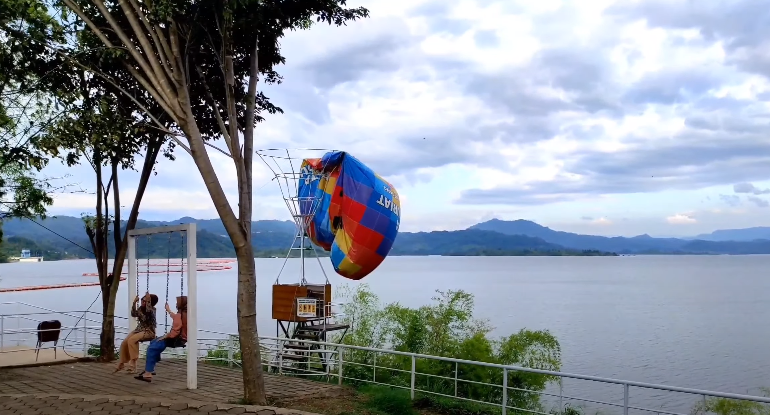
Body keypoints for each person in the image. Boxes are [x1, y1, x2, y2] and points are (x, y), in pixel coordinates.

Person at [134, 296, 187, 383]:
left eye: (178, 303)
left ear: (181, 305)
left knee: (152, 349)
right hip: (181, 338)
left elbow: (175, 331)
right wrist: (168, 310)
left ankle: (148, 374)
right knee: (153, 341)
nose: (176, 304)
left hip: (175, 339)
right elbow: (176, 318)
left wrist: (165, 336)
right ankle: (151, 367)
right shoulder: (185, 314)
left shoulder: (180, 316)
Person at [114, 293, 158, 373]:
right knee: (125, 342)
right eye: (143, 300)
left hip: (149, 331)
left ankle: (133, 365)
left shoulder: (152, 310)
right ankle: (122, 363)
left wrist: (148, 301)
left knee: (132, 340)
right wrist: (134, 303)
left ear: (150, 303)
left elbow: (147, 315)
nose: (143, 302)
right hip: (139, 330)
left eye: (146, 301)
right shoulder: (141, 308)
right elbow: (133, 314)